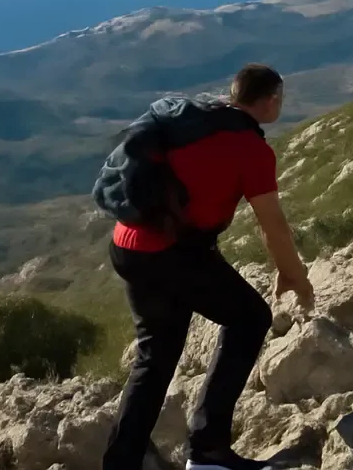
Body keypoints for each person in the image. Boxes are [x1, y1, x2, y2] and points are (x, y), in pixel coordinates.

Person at [101, 64, 313, 470]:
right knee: (250, 318)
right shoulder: (251, 148)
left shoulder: (199, 119)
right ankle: (208, 448)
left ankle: (122, 461)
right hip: (174, 253)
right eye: (279, 99)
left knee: (156, 354)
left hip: (129, 245)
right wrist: (294, 275)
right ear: (270, 101)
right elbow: (275, 228)